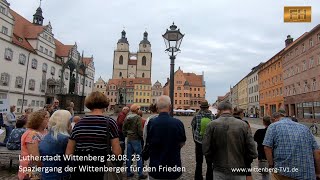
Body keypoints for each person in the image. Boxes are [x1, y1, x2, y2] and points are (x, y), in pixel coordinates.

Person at [65, 91, 121, 180]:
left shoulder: (78, 123)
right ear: (105, 103)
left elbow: (68, 153)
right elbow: (117, 152)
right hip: (101, 169)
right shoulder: (110, 123)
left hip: (80, 169)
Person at [203, 101, 257, 180]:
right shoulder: (243, 125)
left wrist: (212, 160)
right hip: (239, 168)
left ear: (219, 110)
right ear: (231, 110)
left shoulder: (211, 125)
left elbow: (205, 149)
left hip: (219, 168)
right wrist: (246, 160)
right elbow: (252, 149)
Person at [263, 109, 320, 180]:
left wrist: (271, 164)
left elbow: (267, 147)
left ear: (274, 119)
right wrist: (318, 172)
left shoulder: (273, 126)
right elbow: (317, 151)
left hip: (284, 173)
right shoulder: (304, 128)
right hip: (307, 173)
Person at [146, 95, 186, 180]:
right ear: (170, 107)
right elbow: (182, 143)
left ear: (157, 108)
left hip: (155, 167)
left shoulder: (151, 123)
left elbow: (147, 141)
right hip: (173, 167)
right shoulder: (178, 123)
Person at [39, 110, 72, 180]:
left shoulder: (46, 136)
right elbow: (70, 160)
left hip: (46, 174)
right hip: (60, 175)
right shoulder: (65, 139)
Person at [18, 110, 49, 180]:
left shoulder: (46, 132)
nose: (49, 120)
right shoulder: (32, 134)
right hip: (32, 168)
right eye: (46, 118)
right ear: (38, 120)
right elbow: (35, 157)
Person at [191, 100, 215, 180]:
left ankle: (198, 177)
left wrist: (194, 138)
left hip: (199, 141)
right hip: (209, 142)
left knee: (199, 162)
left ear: (200, 107)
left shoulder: (196, 116)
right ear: (208, 107)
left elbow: (193, 126)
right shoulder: (212, 116)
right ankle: (209, 178)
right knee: (209, 163)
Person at [122, 104, 147, 179]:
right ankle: (140, 174)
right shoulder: (138, 118)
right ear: (136, 110)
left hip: (129, 139)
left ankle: (128, 172)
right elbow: (140, 129)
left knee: (129, 156)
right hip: (136, 139)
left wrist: (126, 134)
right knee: (139, 156)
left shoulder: (127, 117)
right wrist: (142, 136)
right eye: (138, 108)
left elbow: (124, 127)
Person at [233, 107, 252, 180]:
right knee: (247, 172)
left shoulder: (229, 122)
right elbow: (249, 138)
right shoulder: (245, 123)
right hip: (244, 151)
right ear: (241, 114)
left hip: (232, 150)